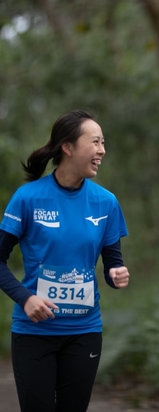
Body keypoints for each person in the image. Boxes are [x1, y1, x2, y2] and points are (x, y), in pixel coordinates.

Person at [0, 110, 130, 412]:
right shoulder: (28, 198)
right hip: (34, 332)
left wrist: (116, 274)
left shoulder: (106, 202)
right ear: (67, 148)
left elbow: (112, 264)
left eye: (103, 142)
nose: (102, 150)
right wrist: (25, 298)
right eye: (95, 142)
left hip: (84, 331)